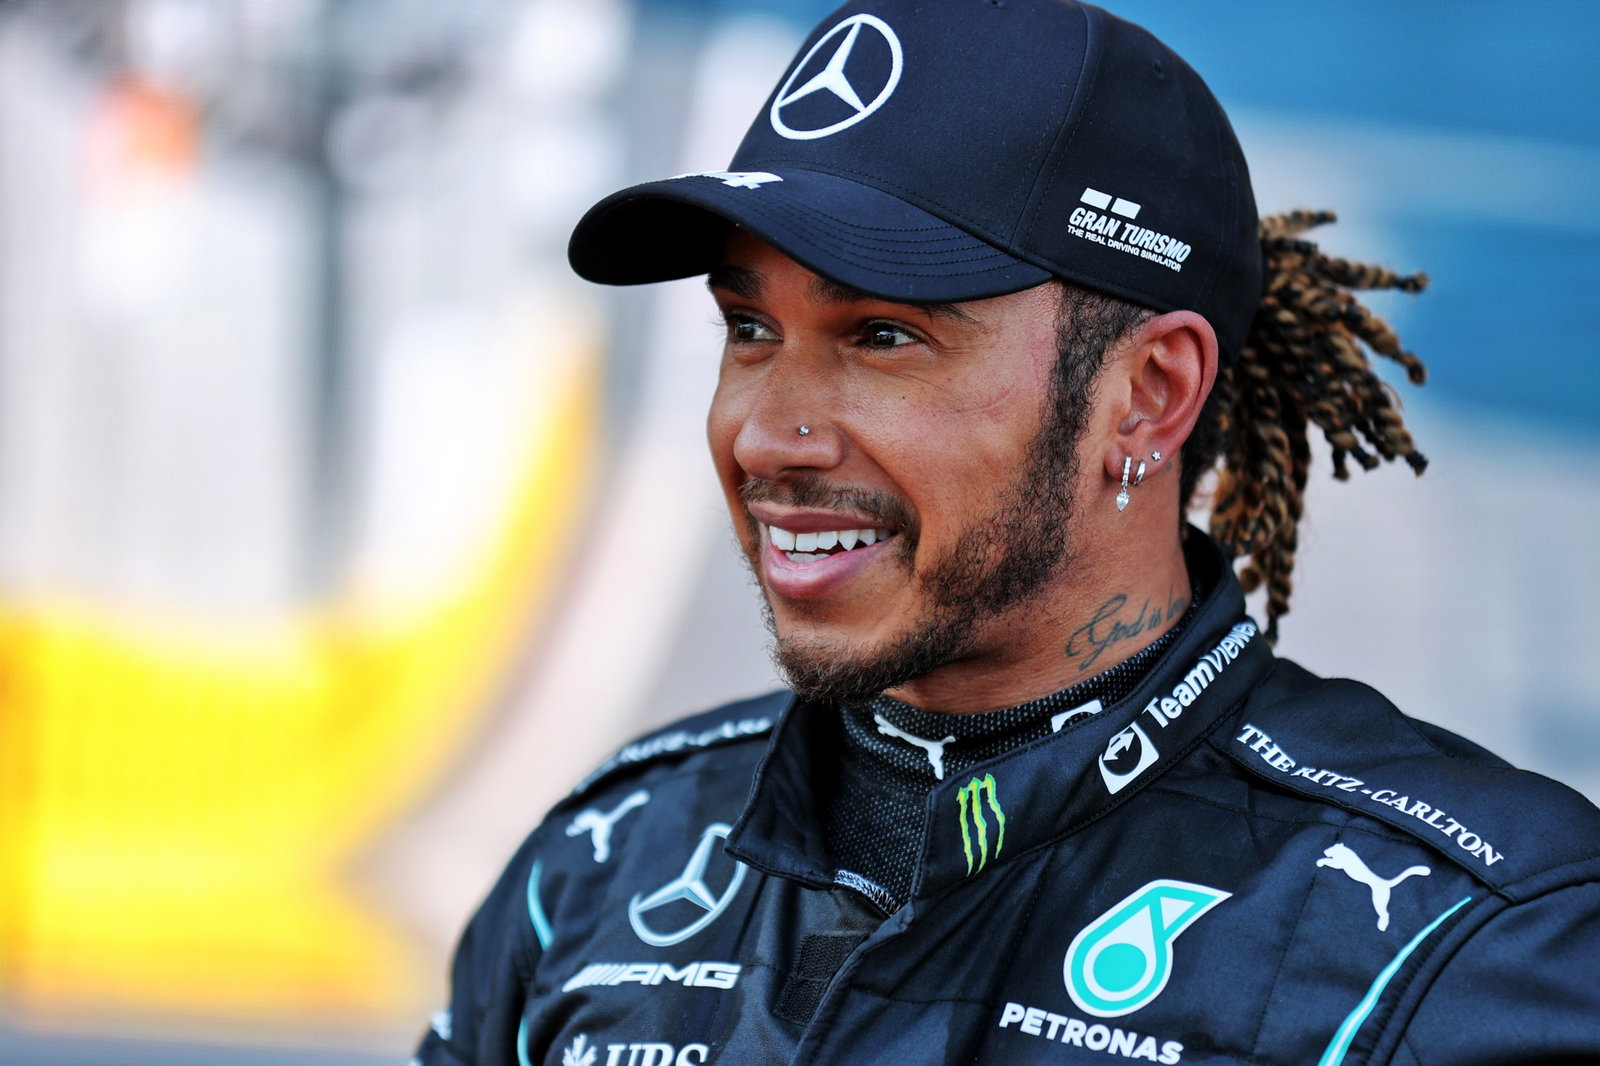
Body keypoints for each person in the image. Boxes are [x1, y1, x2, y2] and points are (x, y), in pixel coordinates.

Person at [413, 2, 1600, 1063]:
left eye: (882, 336)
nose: (768, 434)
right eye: (748, 328)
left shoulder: (1472, 947)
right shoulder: (600, 860)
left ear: (1145, 395)